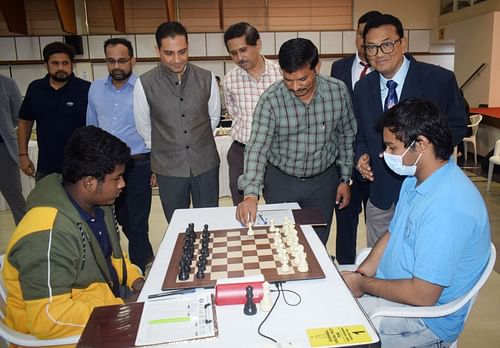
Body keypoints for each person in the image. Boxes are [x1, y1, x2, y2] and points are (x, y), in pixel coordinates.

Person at [342, 98, 491, 347]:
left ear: (421, 144)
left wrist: (363, 284)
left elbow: (423, 295)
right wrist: (361, 274)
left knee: (332, 335)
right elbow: (392, 233)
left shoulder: (448, 208)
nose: (384, 154)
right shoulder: (416, 179)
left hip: (423, 320)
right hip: (393, 292)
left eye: (391, 147)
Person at [2, 126, 144, 340]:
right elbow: (48, 319)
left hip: (104, 302)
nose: (123, 184)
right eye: (117, 178)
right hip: (68, 335)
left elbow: (109, 258)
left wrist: (137, 281)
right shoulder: (46, 235)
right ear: (89, 182)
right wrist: (122, 308)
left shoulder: (95, 204)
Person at [353, 14, 467, 247]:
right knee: (380, 259)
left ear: (402, 43)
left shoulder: (438, 79)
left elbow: (457, 125)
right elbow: (361, 135)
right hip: (381, 194)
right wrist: (361, 157)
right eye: (371, 48)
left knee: (422, 257)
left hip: (426, 191)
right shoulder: (363, 87)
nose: (379, 53)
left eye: (386, 44)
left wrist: (424, 152)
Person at [236, 38, 357, 245]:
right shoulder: (271, 100)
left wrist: (345, 179)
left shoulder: (338, 92)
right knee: (283, 241)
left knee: (317, 242)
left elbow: (346, 136)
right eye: (288, 79)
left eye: (302, 79)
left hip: (323, 183)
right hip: (281, 182)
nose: (294, 87)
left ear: (317, 67)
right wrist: (250, 195)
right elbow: (257, 148)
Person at [134, 21, 220, 222]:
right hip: (168, 168)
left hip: (205, 164)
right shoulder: (144, 83)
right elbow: (144, 126)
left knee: (209, 220)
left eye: (182, 52)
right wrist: (164, 151)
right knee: (177, 223)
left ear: (188, 47)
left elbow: (213, 118)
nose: (177, 59)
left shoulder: (206, 78)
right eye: (169, 53)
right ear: (158, 50)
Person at [87, 38, 154, 272]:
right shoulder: (95, 89)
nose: (117, 65)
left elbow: (154, 127)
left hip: (137, 164)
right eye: (111, 60)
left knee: (137, 221)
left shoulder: (144, 87)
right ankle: (139, 259)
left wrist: (154, 165)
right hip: (104, 167)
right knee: (113, 220)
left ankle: (139, 270)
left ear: (132, 60)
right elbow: (91, 126)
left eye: (122, 60)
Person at [330, 10, 381, 264]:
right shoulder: (339, 67)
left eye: (369, 36)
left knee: (380, 226)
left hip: (379, 165)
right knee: (345, 223)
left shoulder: (387, 70)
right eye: (360, 34)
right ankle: (346, 271)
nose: (363, 41)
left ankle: (378, 271)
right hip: (345, 163)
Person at [223, 21, 282, 205]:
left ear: (258, 44)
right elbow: (233, 113)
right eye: (233, 53)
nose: (239, 57)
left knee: (279, 204)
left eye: (244, 50)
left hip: (278, 152)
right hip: (242, 152)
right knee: (243, 206)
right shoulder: (229, 80)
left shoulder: (281, 74)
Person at [17, 41, 90, 181]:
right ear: (46, 65)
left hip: (81, 166)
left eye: (65, 63)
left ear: (72, 64)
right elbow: (25, 122)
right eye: (55, 63)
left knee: (80, 203)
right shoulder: (35, 89)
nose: (61, 68)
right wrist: (23, 155)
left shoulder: (86, 89)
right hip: (47, 167)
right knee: (45, 203)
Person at [0, 75, 26, 224]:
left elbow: (18, 116)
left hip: (4, 149)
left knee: (16, 200)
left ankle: (27, 242)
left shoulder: (7, 83)